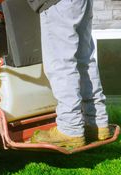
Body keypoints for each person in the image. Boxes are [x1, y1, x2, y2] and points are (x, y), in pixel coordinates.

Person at [27, 0, 111, 148]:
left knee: (60, 64)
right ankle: (96, 122)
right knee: (84, 60)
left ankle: (70, 128)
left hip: (56, 3)